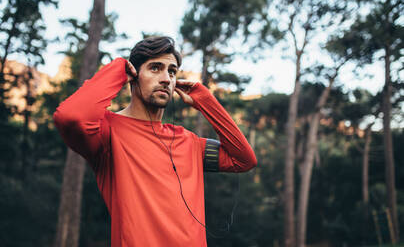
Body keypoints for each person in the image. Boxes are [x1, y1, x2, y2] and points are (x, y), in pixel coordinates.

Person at [53, 36, 257, 247]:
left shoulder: (189, 142)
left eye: (172, 71)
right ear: (133, 75)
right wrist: (118, 69)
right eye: (155, 68)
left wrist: (205, 100)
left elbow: (243, 159)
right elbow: (69, 116)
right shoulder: (107, 132)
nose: (166, 79)